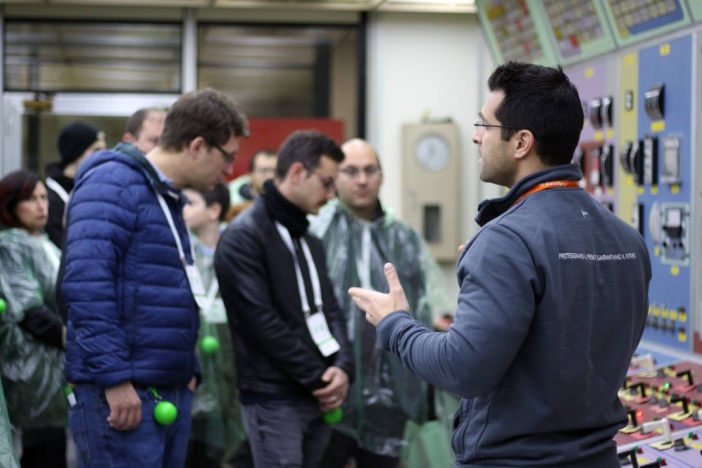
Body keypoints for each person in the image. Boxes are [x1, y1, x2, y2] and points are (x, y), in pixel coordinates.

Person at [348, 62, 652, 468]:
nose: (476, 136)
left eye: (483, 125)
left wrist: (394, 324)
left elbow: (463, 369)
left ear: (521, 142)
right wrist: (490, 277)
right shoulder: (628, 240)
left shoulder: (506, 241)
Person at [59, 88, 248, 467]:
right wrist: (114, 379)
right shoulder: (112, 182)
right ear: (197, 146)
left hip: (165, 386)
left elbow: (167, 288)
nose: (229, 171)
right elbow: (86, 288)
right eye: (227, 156)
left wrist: (188, 371)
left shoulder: (164, 194)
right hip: (124, 394)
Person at [215, 130, 354, 468]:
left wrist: (343, 366)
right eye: (326, 183)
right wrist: (320, 378)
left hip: (318, 391)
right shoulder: (244, 237)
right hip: (274, 395)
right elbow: (261, 323)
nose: (332, 194)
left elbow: (331, 309)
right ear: (296, 173)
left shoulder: (308, 238)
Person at [310, 139, 448, 468]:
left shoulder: (404, 238)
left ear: (381, 176)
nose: (361, 180)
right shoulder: (316, 233)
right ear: (335, 178)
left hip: (389, 395)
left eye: (369, 170)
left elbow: (425, 305)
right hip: (330, 387)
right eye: (351, 171)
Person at [0, 171, 68, 468]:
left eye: (43, 197)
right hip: (31, 368)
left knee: (53, 449)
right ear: (10, 205)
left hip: (56, 366)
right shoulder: (9, 245)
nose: (41, 205)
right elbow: (30, 311)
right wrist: (73, 339)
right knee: (42, 452)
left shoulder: (46, 243)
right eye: (30, 199)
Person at [182, 183, 251, 468]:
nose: (183, 209)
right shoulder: (181, 253)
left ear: (214, 211)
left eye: (190, 203)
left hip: (233, 362)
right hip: (193, 364)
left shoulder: (238, 251)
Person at [44, 122, 106, 248]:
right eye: (96, 150)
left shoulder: (96, 189)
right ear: (76, 153)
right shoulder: (49, 196)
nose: (102, 157)